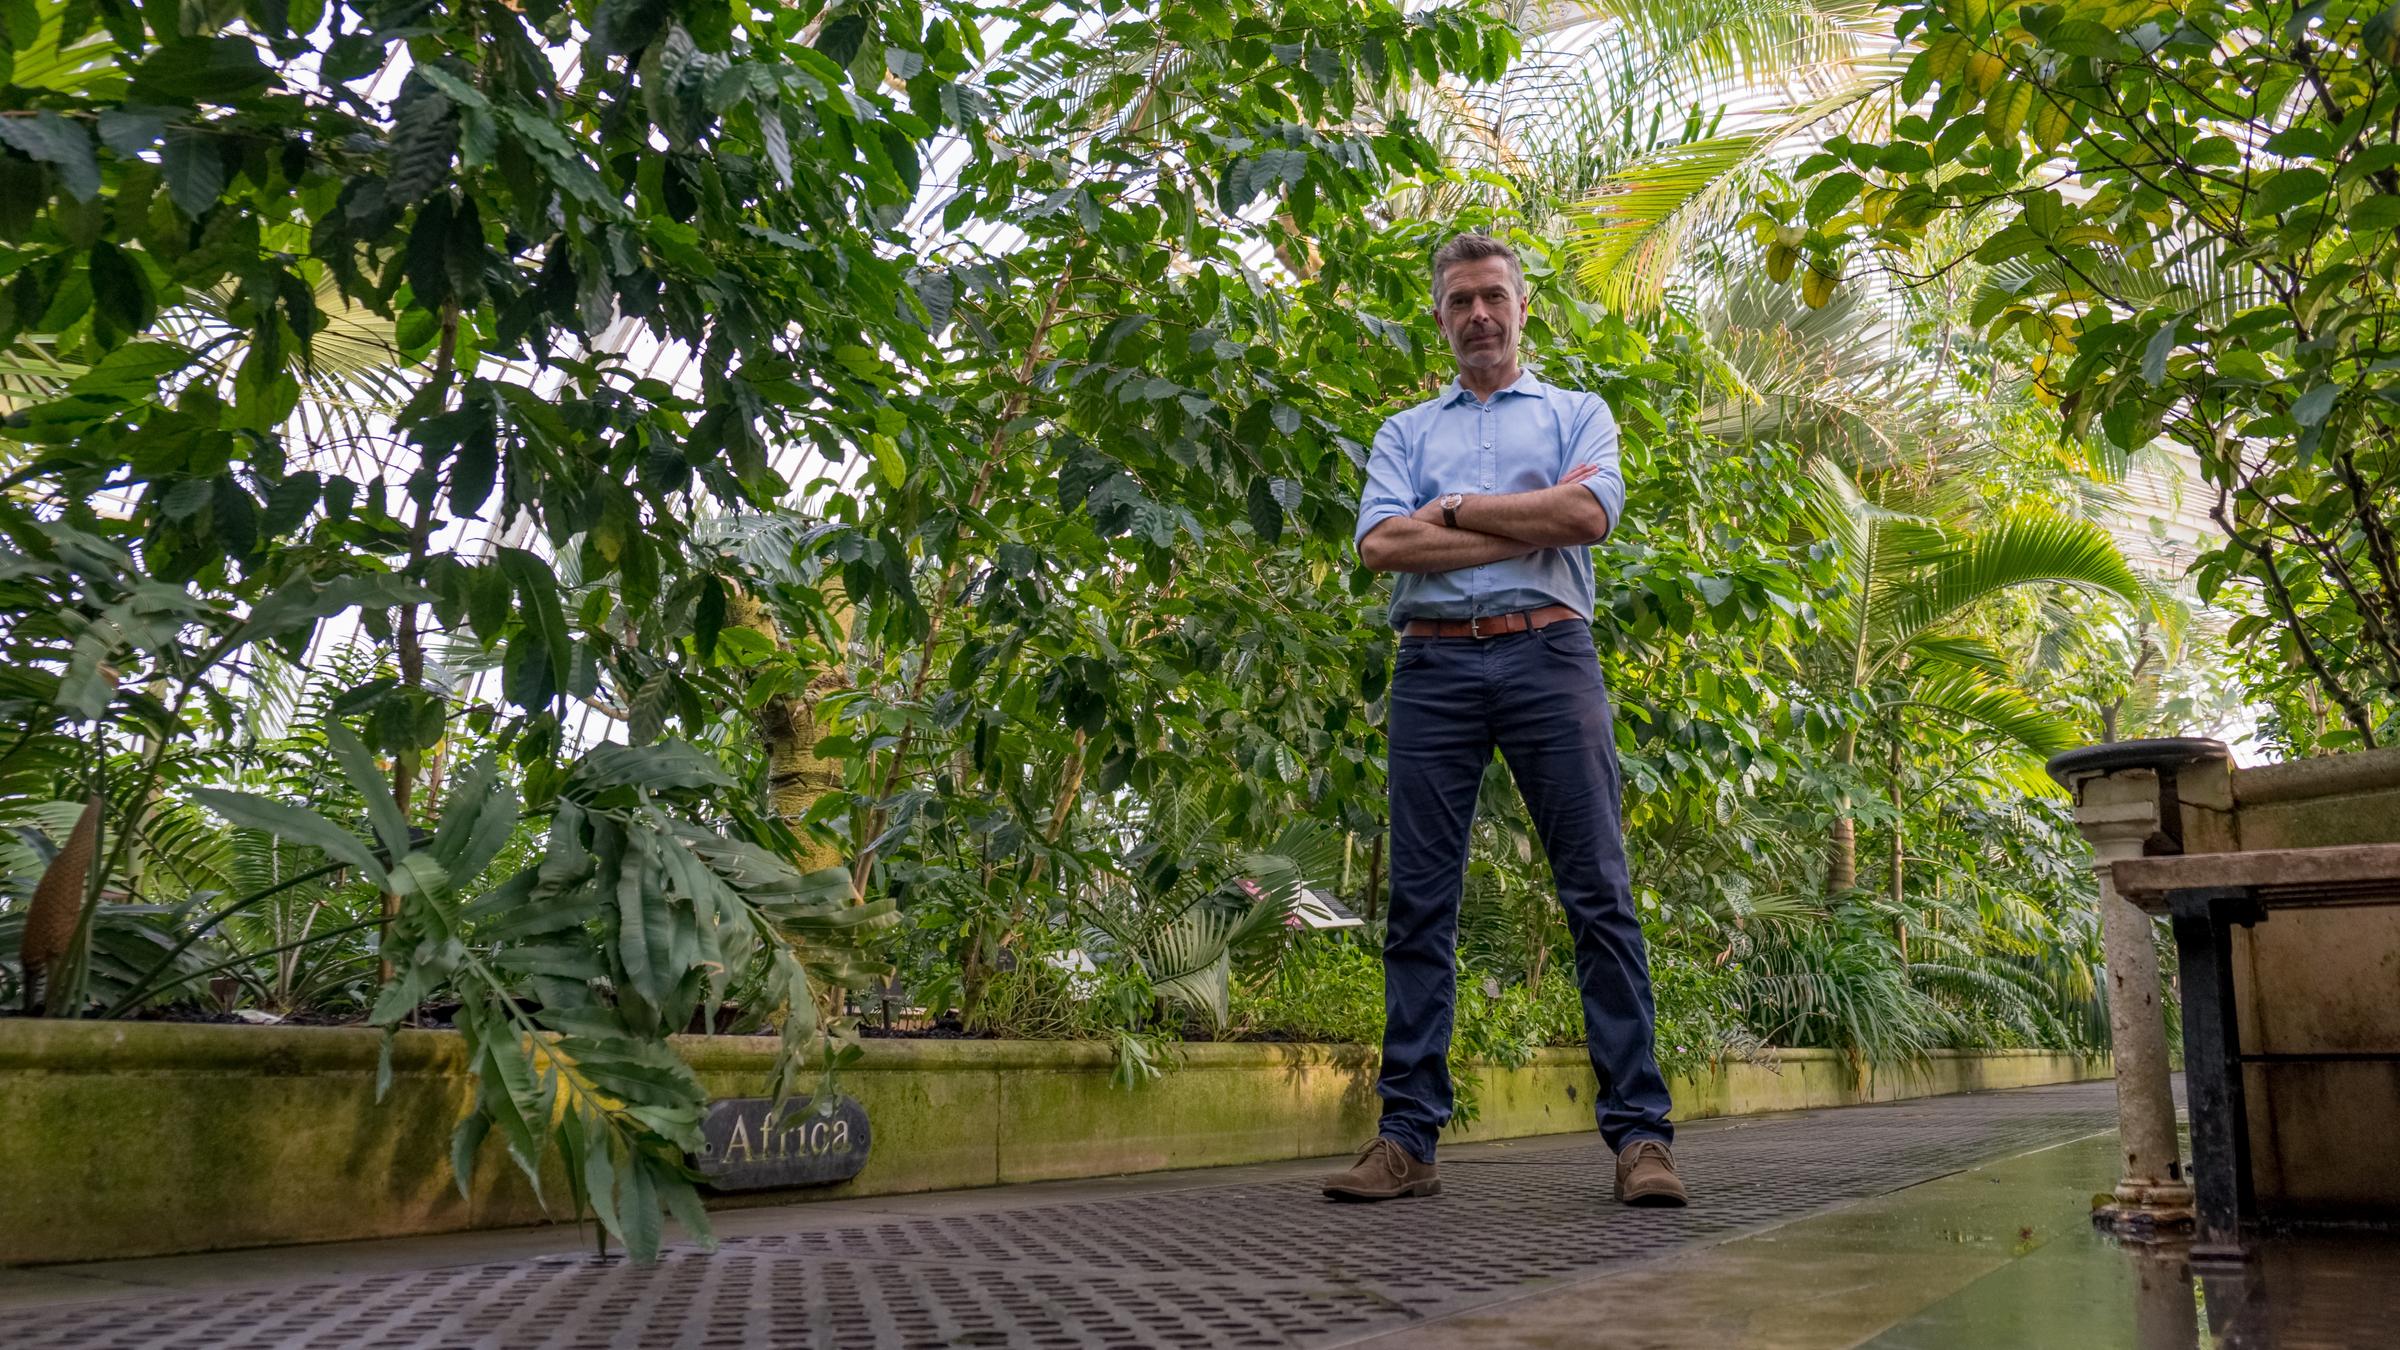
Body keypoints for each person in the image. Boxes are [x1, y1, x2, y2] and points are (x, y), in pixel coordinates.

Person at [1322, 231, 1686, 1208]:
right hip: (1433, 668)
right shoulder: (1404, 431)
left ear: (1523, 308)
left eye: (1493, 296)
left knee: (1599, 891)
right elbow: (1380, 547)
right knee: (1419, 906)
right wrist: (1513, 516)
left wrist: (1451, 513)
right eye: (1459, 301)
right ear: (1440, 318)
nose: (1478, 314)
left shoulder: (1578, 413)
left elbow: (1586, 519)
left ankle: (1641, 1139)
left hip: (1549, 658)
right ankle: (1408, 1139)